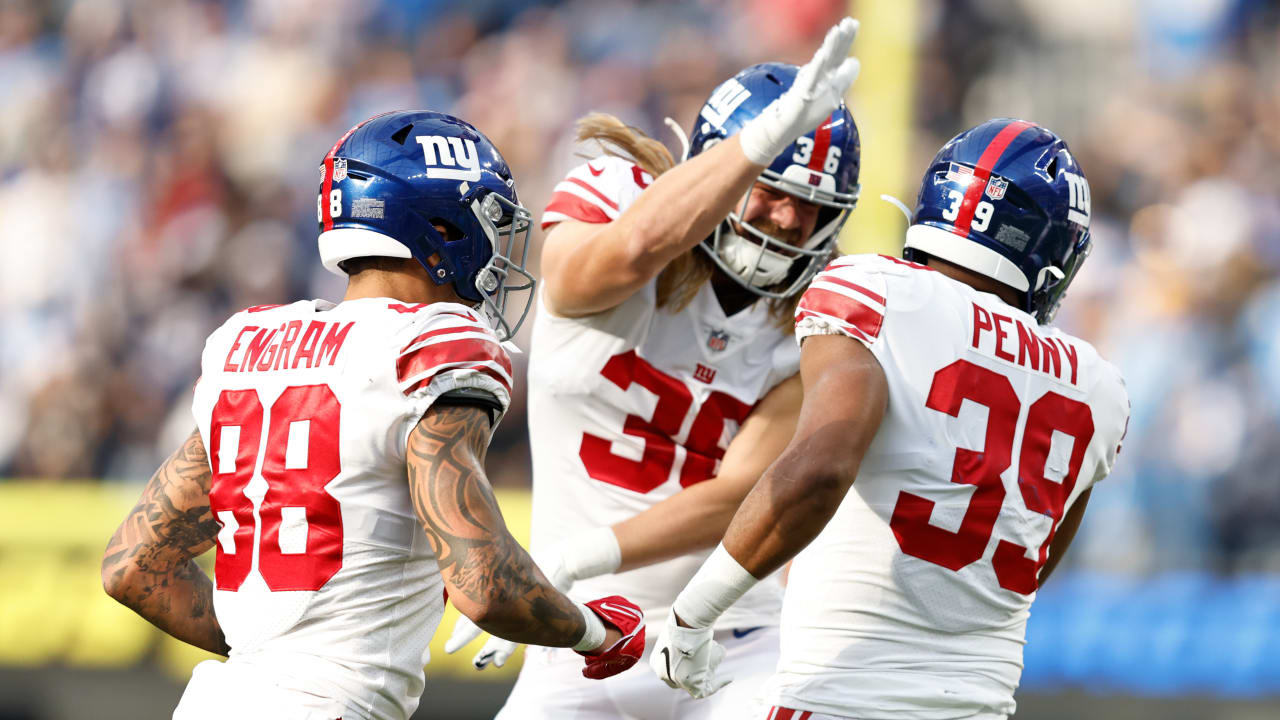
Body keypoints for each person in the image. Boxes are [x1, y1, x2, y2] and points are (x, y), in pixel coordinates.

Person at [100, 110, 645, 720]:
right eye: (491, 220)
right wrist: (598, 633)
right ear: (442, 224)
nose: (501, 244)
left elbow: (133, 565)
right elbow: (483, 586)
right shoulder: (435, 343)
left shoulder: (246, 342)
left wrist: (274, 662)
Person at [444, 16, 863, 720]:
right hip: (585, 639)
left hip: (736, 641)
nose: (789, 221)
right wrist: (754, 147)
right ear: (719, 170)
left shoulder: (817, 309)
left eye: (812, 207)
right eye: (770, 190)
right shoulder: (615, 193)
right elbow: (627, 253)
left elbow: (741, 494)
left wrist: (580, 554)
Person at [652, 118, 1131, 720]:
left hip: (835, 704)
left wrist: (694, 613)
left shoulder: (876, 291)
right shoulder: (1101, 387)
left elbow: (820, 468)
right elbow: (1030, 566)